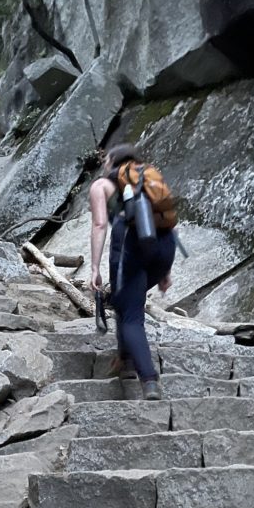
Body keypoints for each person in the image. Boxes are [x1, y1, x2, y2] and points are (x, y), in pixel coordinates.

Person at [89, 144, 176, 400]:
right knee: (124, 301)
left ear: (111, 162)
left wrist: (94, 267)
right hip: (164, 246)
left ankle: (148, 380)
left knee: (130, 316)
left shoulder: (103, 185)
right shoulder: (149, 176)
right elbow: (169, 220)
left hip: (131, 248)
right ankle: (125, 358)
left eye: (105, 160)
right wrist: (165, 270)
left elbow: (99, 224)